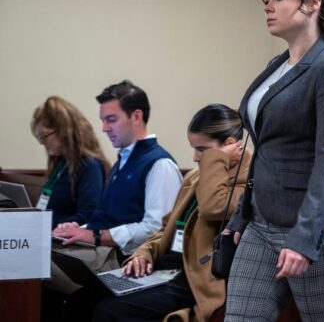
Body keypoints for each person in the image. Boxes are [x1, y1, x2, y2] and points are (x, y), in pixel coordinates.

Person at [224, 0, 324, 322]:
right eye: (266, 0)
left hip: (320, 230)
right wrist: (242, 215)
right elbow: (266, 148)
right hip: (262, 224)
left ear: (313, 3)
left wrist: (305, 237)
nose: (269, 7)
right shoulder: (277, 65)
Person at [65, 104, 250, 322]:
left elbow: (213, 207)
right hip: (165, 270)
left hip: (194, 280)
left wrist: (216, 158)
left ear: (229, 145)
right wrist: (143, 253)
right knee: (80, 300)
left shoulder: (248, 182)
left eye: (202, 150)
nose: (195, 158)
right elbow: (165, 229)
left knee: (109, 311)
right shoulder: (194, 178)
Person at [50, 80, 182, 293]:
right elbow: (108, 218)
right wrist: (77, 230)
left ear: (136, 117)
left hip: (122, 258)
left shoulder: (160, 165)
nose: (104, 128)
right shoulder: (123, 161)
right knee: (32, 253)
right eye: (103, 120)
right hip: (101, 248)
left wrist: (95, 235)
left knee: (34, 262)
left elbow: (157, 230)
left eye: (111, 120)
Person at [31, 96, 110, 228]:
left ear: (64, 131)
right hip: (49, 236)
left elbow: (86, 217)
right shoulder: (61, 162)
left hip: (70, 244)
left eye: (45, 136)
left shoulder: (90, 166)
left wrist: (45, 224)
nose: (42, 143)